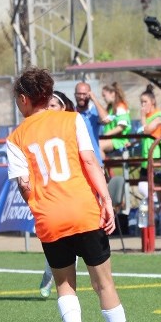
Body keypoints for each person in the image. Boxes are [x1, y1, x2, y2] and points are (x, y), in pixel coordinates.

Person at [7, 67, 141, 322]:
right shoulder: (73, 119)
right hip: (84, 210)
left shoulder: (16, 137)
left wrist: (41, 206)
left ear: (25, 100)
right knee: (103, 283)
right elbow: (90, 161)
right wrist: (106, 199)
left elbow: (24, 184)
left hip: (50, 218)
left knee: (65, 285)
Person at [38, 91, 103, 298]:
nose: (48, 110)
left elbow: (90, 159)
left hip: (82, 190)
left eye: (53, 106)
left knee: (101, 278)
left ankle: (55, 273)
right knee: (65, 247)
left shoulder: (75, 121)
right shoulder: (38, 130)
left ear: (63, 107)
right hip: (56, 196)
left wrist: (104, 195)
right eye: (46, 106)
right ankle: (52, 273)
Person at [98, 82, 131, 160]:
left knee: (98, 146)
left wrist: (106, 135)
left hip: (120, 140)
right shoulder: (110, 108)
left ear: (112, 93)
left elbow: (121, 127)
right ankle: (106, 170)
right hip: (112, 139)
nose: (103, 98)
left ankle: (101, 170)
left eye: (104, 95)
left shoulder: (120, 107)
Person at [138, 84, 161, 177]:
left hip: (156, 153)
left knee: (156, 182)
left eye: (145, 101)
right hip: (146, 154)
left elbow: (147, 130)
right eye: (141, 102)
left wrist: (142, 116)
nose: (143, 105)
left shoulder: (159, 115)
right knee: (143, 183)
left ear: (153, 101)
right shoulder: (147, 117)